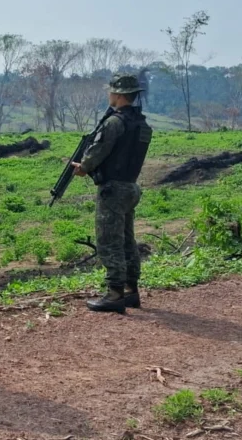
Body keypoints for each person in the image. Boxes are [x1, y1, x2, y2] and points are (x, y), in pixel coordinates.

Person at [70, 74, 153, 313]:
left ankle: (114, 293)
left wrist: (84, 167)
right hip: (131, 187)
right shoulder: (142, 124)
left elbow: (98, 150)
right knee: (127, 240)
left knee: (109, 240)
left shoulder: (114, 122)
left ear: (118, 94)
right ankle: (130, 291)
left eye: (111, 92)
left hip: (113, 189)